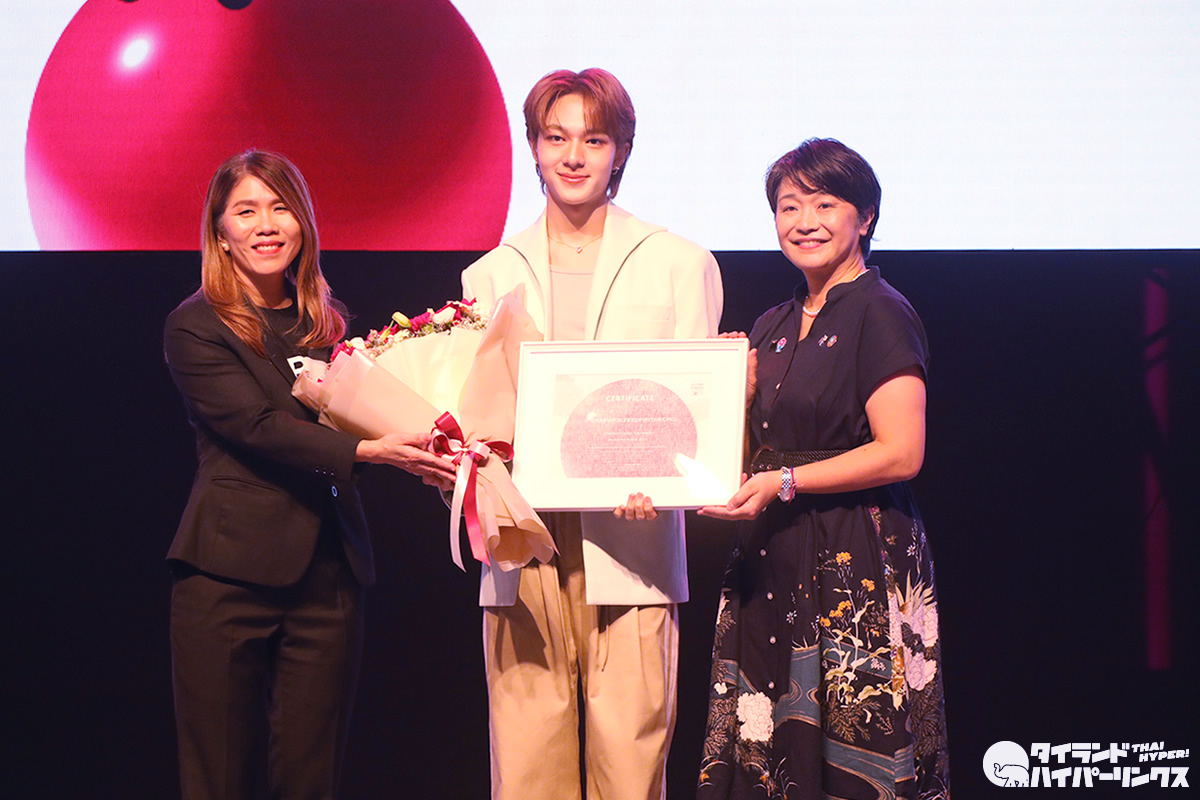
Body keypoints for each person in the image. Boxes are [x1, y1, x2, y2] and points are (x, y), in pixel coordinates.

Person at [461, 68, 723, 800]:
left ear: (621, 152)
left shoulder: (678, 262)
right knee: (527, 757)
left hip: (633, 537)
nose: (573, 156)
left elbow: (693, 409)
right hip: (525, 537)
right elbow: (480, 411)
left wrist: (666, 480)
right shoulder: (489, 274)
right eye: (556, 138)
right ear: (533, 148)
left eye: (594, 139)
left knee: (630, 758)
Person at [163, 150, 456, 800]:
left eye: (281, 208)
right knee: (218, 778)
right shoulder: (195, 326)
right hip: (227, 577)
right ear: (220, 232)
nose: (266, 225)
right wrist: (372, 451)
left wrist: (436, 443)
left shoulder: (325, 323)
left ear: (303, 222)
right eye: (246, 211)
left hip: (329, 576)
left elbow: (362, 415)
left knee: (311, 778)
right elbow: (256, 427)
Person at [696, 139, 950, 799]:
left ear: (864, 217)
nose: (803, 221)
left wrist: (785, 482)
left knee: (855, 739)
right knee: (769, 747)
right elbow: (749, 457)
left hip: (853, 554)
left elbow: (902, 451)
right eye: (788, 206)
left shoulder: (881, 311)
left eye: (824, 204)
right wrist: (735, 399)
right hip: (772, 556)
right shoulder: (770, 325)